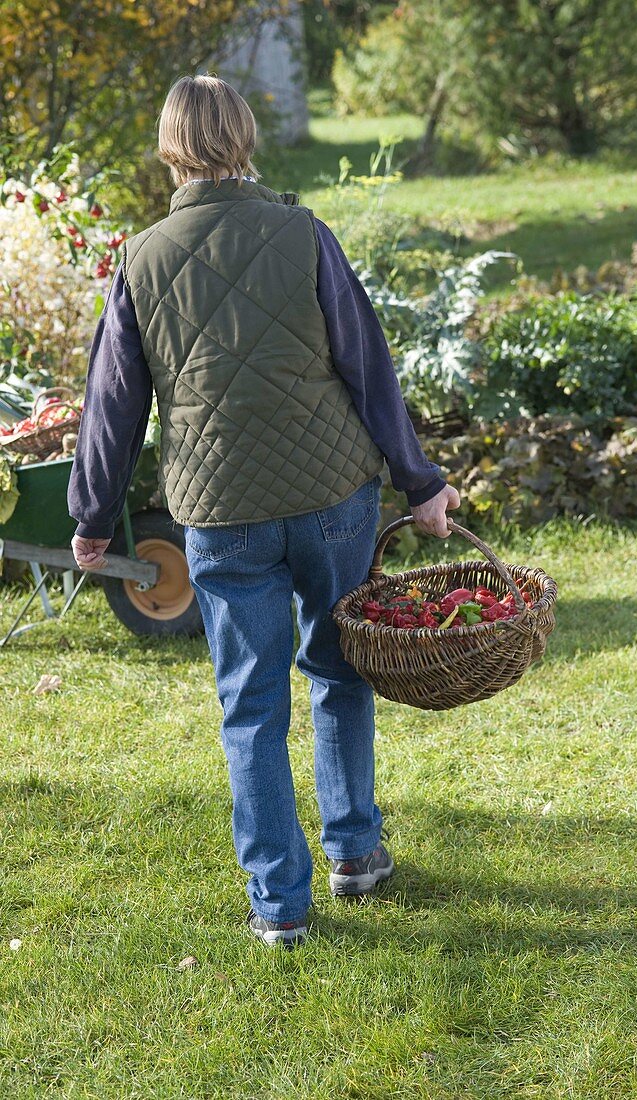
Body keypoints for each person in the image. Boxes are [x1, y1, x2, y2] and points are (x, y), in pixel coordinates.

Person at [68, 74, 461, 948]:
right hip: (333, 500)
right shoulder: (303, 232)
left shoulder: (139, 260)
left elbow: (113, 408)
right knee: (340, 670)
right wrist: (421, 480)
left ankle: (280, 907)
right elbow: (369, 366)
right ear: (244, 137)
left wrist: (93, 519)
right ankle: (355, 852)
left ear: (170, 148)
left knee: (250, 705)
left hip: (222, 512)